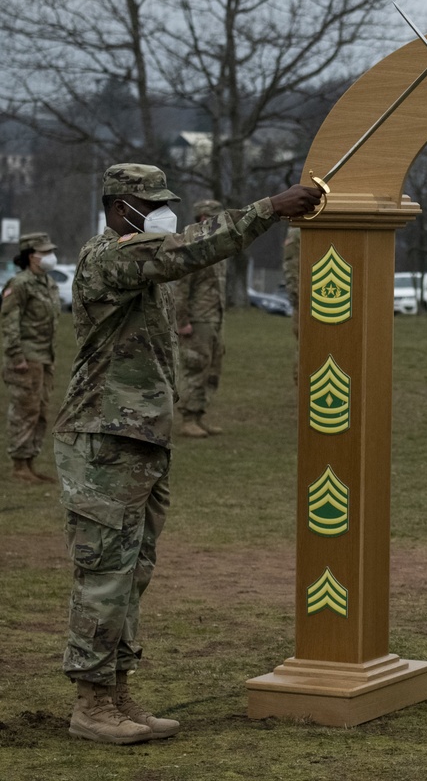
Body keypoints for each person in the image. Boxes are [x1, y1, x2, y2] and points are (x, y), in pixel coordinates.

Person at [52, 163, 321, 745]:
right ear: (121, 206)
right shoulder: (109, 258)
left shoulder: (141, 267)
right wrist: (270, 208)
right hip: (103, 441)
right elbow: (190, 249)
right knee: (103, 575)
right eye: (151, 205)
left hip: (140, 440)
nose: (161, 214)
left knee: (132, 574)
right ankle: (91, 703)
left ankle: (118, 690)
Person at [1, 232, 61, 484]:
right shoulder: (20, 283)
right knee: (24, 410)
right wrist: (16, 356)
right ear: (30, 256)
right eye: (44, 253)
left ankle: (30, 463)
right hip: (26, 357)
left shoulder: (47, 283)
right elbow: (9, 320)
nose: (49, 257)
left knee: (40, 411)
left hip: (44, 356)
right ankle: (18, 465)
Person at [173, 199, 228, 437]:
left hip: (214, 317)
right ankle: (188, 418)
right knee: (195, 366)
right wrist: (182, 321)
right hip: (197, 320)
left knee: (212, 368)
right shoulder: (192, 247)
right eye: (213, 217)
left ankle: (199, 414)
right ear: (203, 218)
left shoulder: (217, 246)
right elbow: (181, 289)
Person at [282, 225, 300, 383]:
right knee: (305, 342)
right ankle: (302, 383)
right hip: (305, 298)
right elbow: (291, 265)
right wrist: (297, 296)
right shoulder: (297, 232)